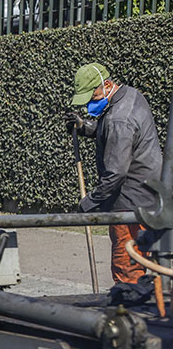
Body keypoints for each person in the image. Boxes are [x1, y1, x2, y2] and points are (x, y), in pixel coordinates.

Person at [66, 63, 162, 285]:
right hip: (147, 195)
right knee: (141, 262)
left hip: (130, 202)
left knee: (127, 267)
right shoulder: (132, 96)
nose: (90, 104)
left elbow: (115, 174)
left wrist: (88, 203)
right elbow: (112, 131)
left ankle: (127, 310)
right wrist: (84, 126)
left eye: (93, 97)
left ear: (107, 85)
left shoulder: (119, 118)